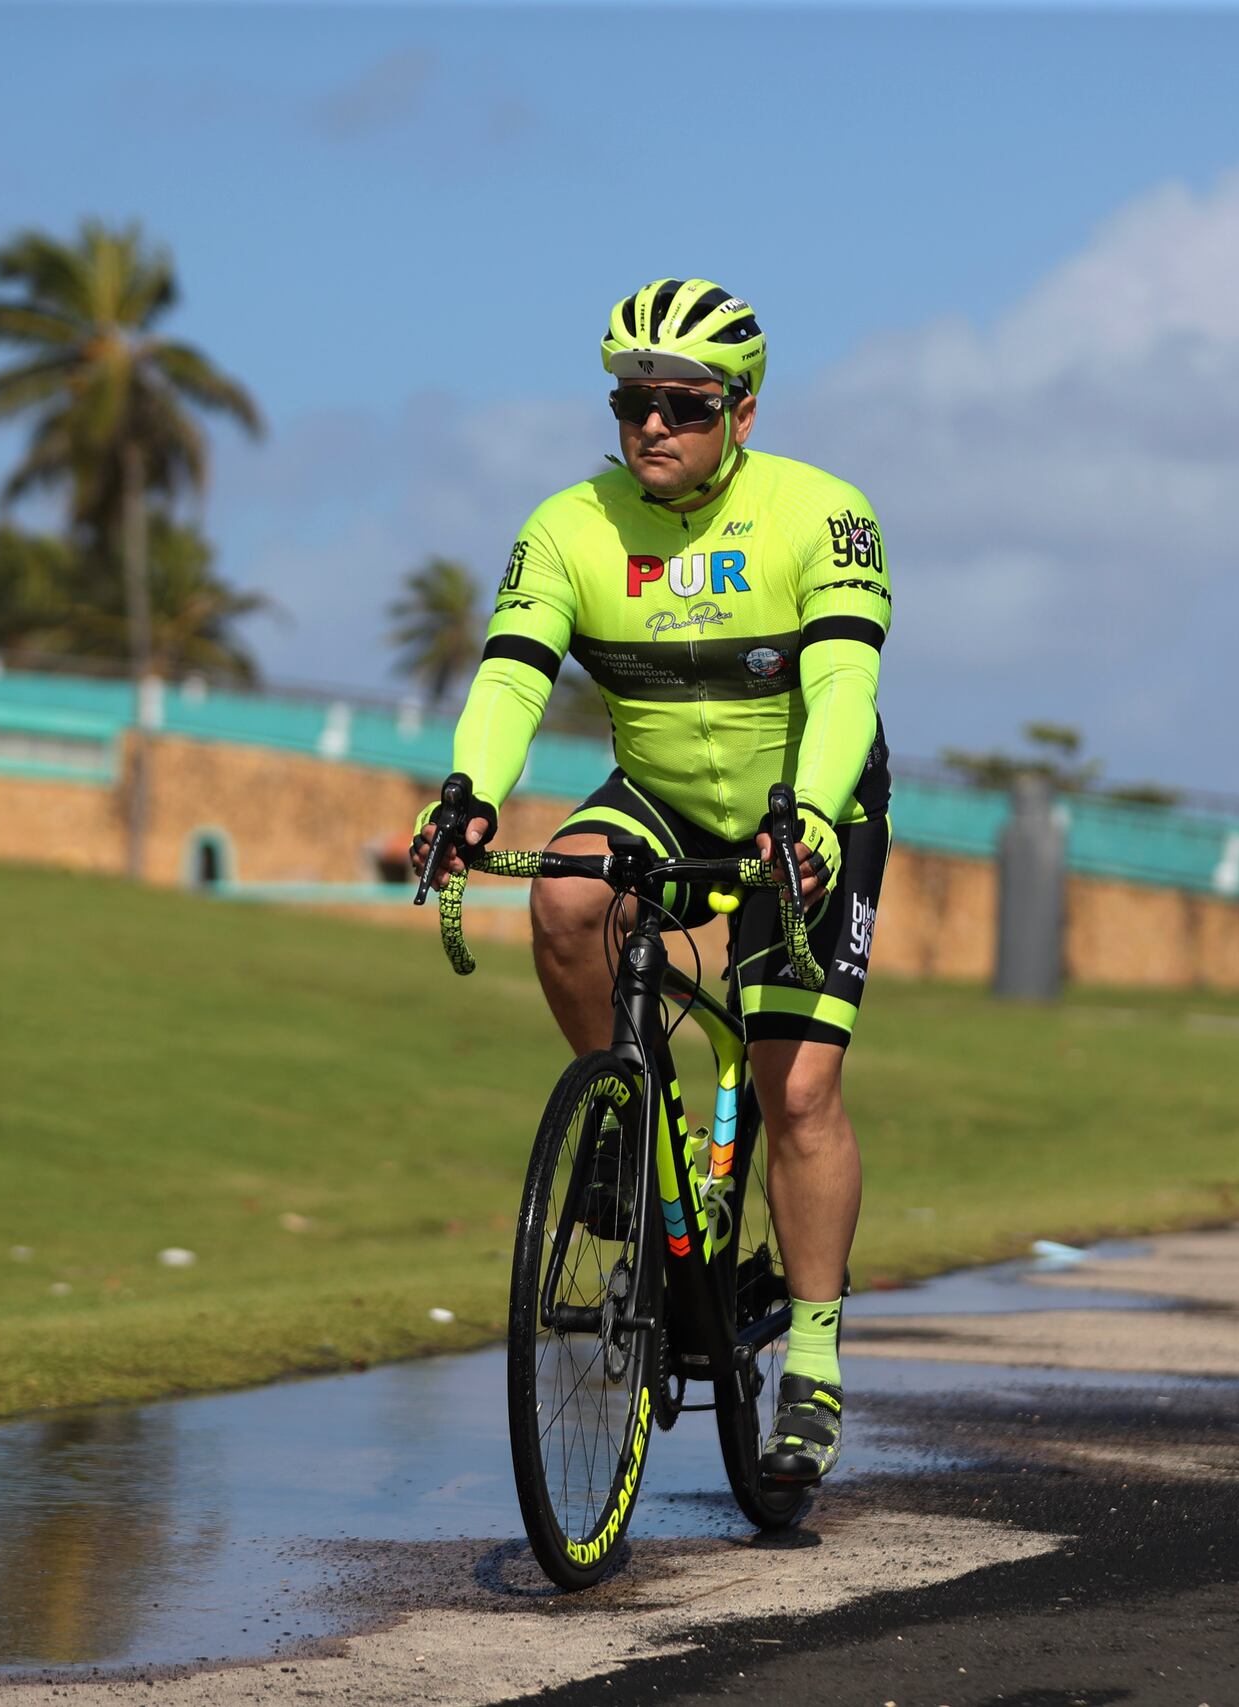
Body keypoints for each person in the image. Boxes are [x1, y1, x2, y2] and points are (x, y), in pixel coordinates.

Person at [411, 278, 893, 1487]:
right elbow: (516, 674)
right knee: (566, 892)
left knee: (796, 1092)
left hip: (807, 813)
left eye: (682, 403)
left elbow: (842, 687)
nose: (653, 427)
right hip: (663, 794)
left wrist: (816, 821)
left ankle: (815, 1370)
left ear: (740, 408)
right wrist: (469, 788)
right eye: (633, 403)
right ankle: (629, 1131)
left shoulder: (822, 514)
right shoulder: (569, 523)